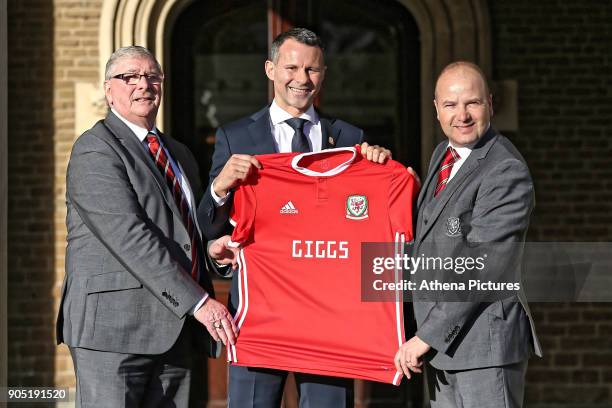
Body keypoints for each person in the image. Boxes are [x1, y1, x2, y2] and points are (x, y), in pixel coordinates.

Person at [199, 28, 391, 408]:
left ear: (324, 74)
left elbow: (368, 218)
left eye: (313, 70)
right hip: (259, 314)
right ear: (270, 69)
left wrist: (379, 172)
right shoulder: (235, 136)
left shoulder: (350, 138)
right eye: (291, 67)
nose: (302, 79)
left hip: (328, 315)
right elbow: (208, 226)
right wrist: (220, 187)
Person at [56, 46, 237, 408]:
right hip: (114, 334)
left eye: (152, 76)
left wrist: (211, 251)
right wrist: (200, 301)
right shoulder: (96, 150)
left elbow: (183, 232)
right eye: (130, 77)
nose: (144, 85)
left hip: (176, 332)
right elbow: (129, 237)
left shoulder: (179, 153)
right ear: (109, 90)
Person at [394, 61, 543, 407]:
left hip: (484, 347)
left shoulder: (505, 169)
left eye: (472, 103)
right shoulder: (443, 155)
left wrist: (425, 337)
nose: (461, 115)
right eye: (450, 104)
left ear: (490, 103)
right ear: (436, 109)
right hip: (445, 348)